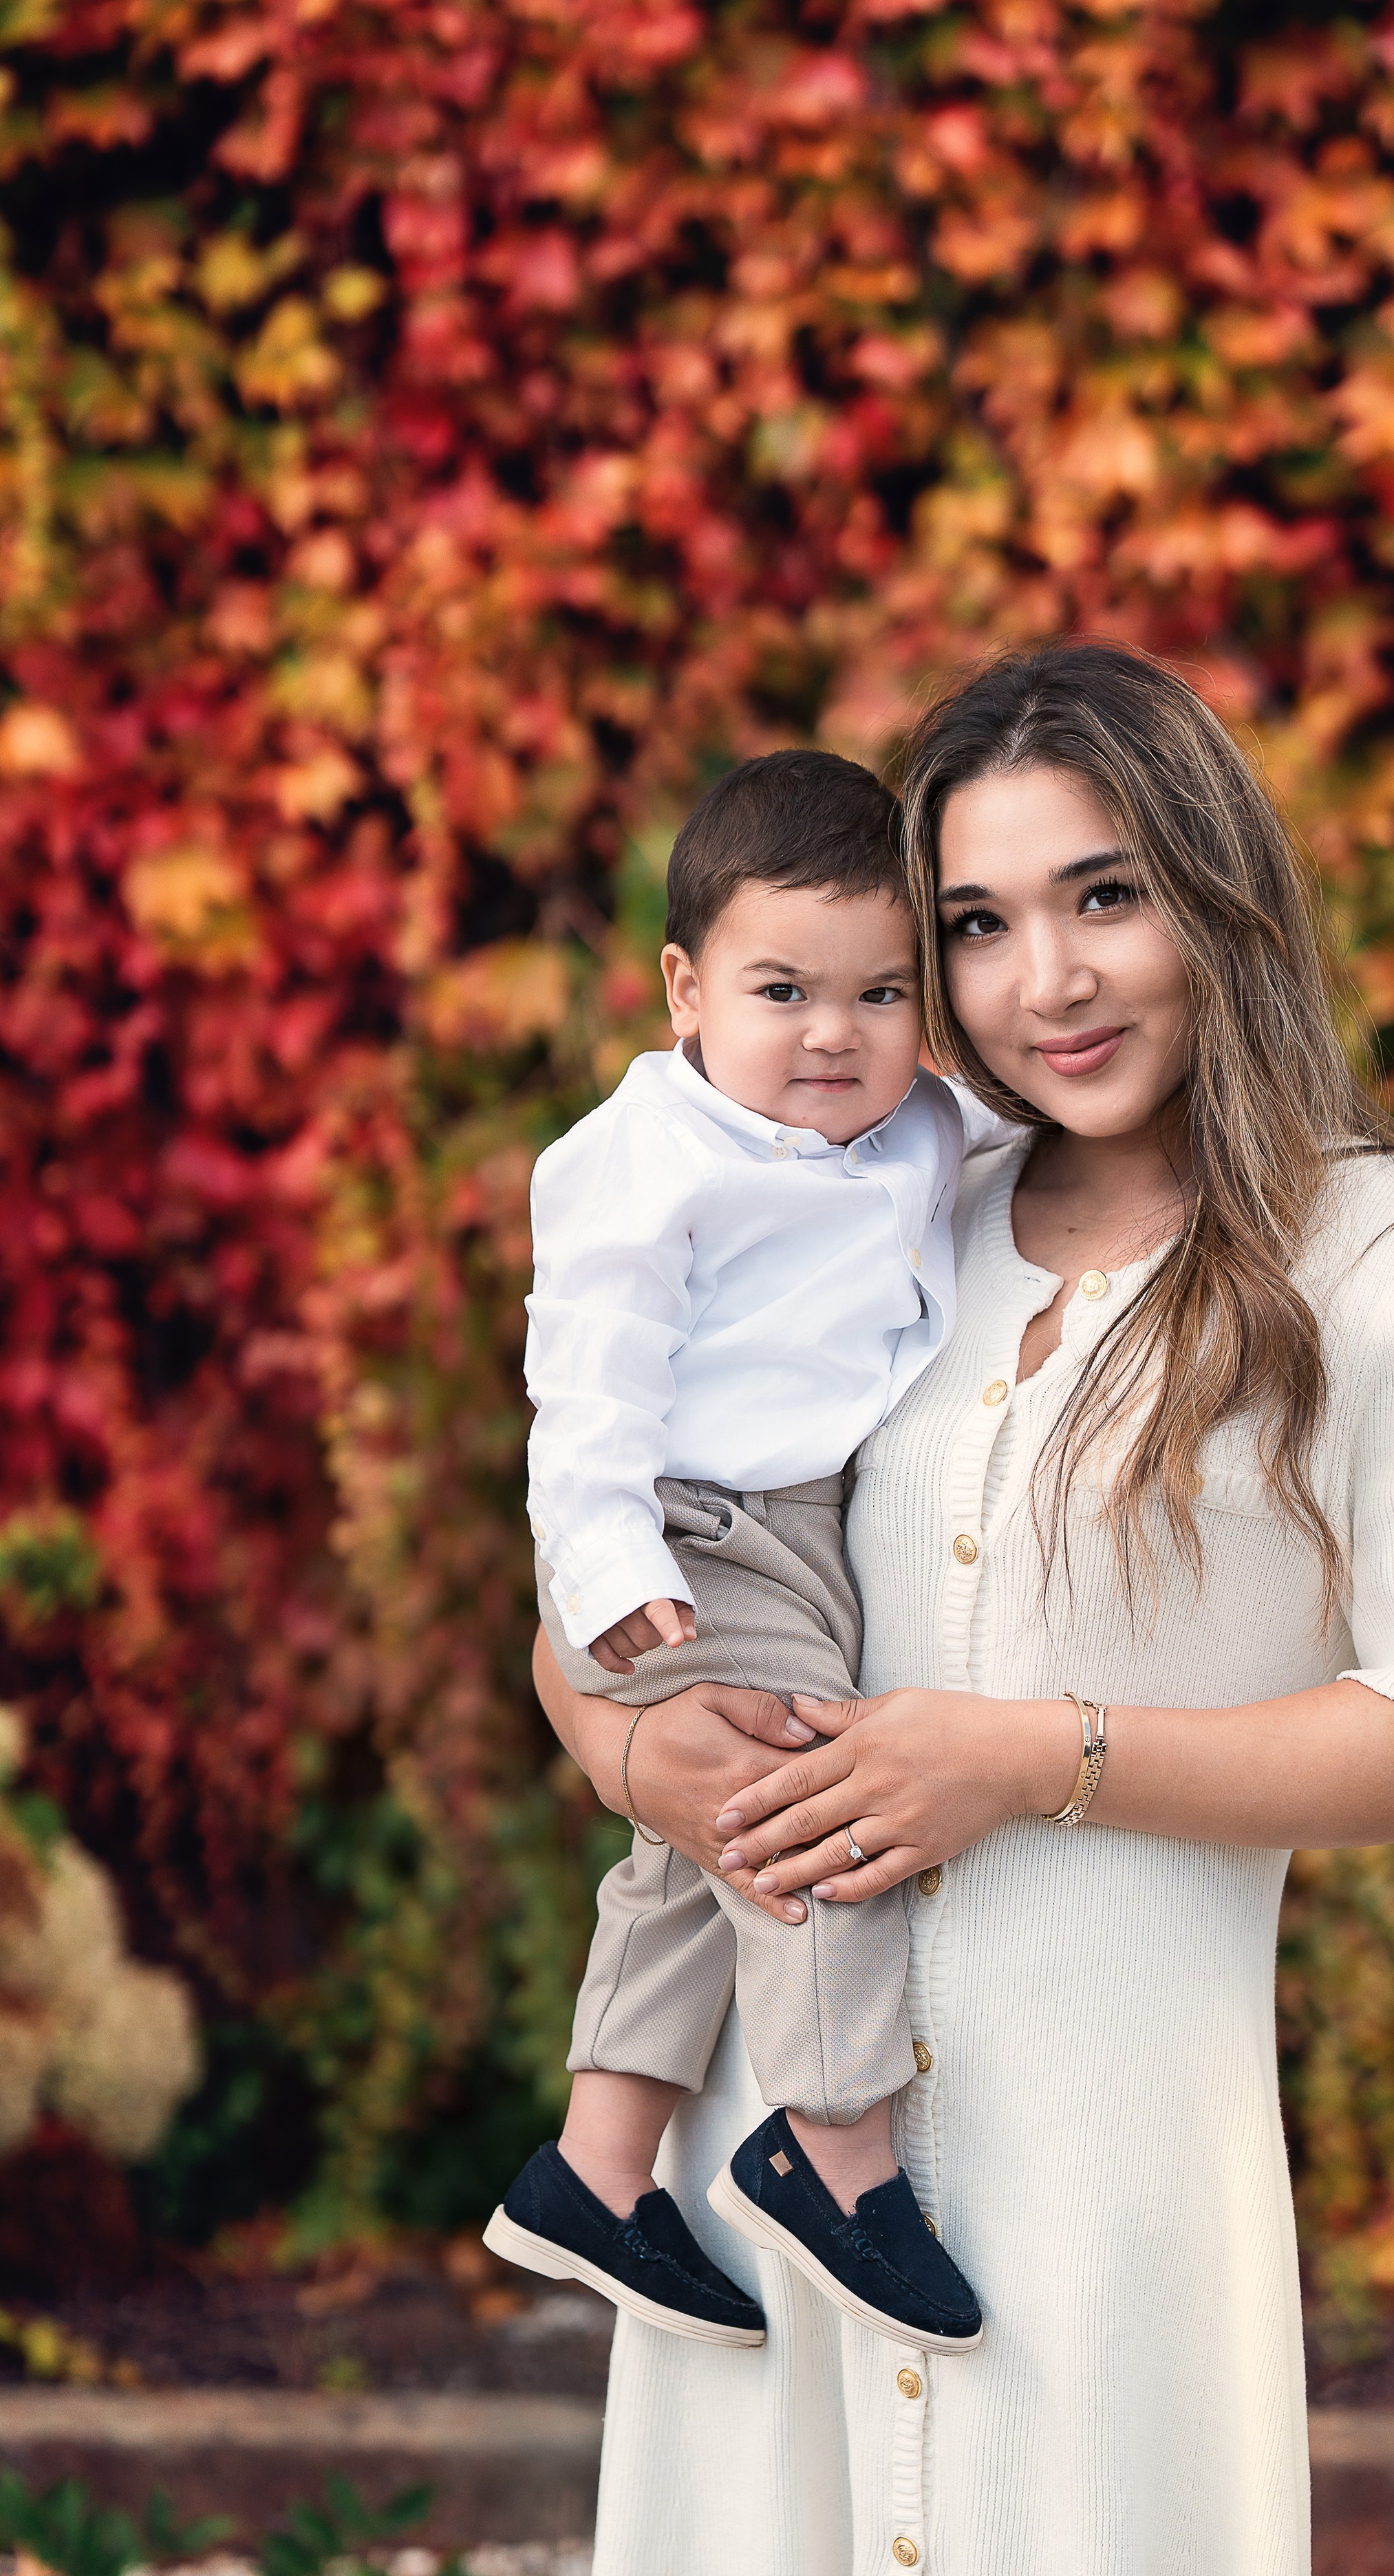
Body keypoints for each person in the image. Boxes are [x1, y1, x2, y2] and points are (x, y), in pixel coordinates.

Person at [533, 644, 1394, 2576]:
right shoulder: (876, 1198)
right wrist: (646, 1756)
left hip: (1098, 2151)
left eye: (1105, 896)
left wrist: (1033, 1754)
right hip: (796, 2111)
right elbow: (620, 1554)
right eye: (977, 925)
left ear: (1217, 894)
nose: (1049, 981)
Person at [486, 749, 993, 2357]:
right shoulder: (645, 1164)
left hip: (796, 1534)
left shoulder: (914, 1125)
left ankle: (595, 2165)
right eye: (783, 991)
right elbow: (583, 1384)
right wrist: (607, 1565)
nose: (833, 1034)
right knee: (803, 1821)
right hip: (689, 1532)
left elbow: (1022, 1130)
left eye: (881, 992)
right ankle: (834, 2153)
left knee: (690, 1856)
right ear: (684, 989)